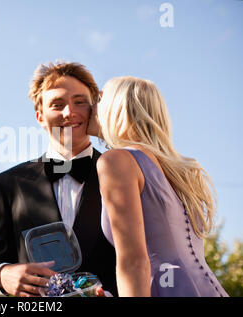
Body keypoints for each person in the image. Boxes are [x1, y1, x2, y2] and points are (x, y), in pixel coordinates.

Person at [0, 61, 117, 297]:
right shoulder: (9, 183)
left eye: (79, 102)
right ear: (40, 116)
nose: (68, 112)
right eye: (57, 104)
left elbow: (148, 256)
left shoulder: (124, 174)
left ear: (95, 109)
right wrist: (3, 275)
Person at [88, 76, 229, 297]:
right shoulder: (182, 171)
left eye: (98, 99)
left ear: (117, 108)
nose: (91, 106)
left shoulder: (116, 161)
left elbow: (133, 261)